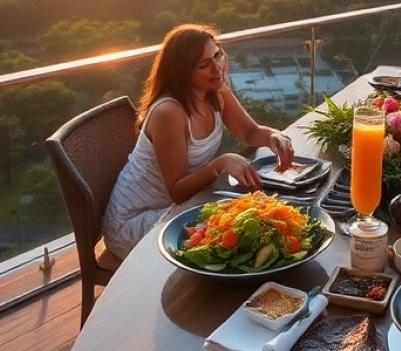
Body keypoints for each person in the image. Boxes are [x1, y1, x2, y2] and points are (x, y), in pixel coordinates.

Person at [102, 23, 295, 258]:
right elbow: (177, 191)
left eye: (218, 55)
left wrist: (273, 135)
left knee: (251, 218)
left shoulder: (216, 91)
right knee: (233, 232)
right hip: (135, 221)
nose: (217, 67)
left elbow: (250, 132)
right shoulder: (169, 112)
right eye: (204, 65)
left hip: (180, 205)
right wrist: (220, 164)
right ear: (182, 72)